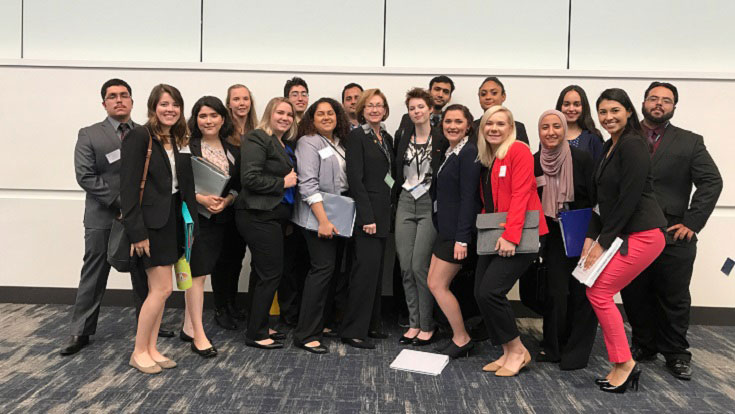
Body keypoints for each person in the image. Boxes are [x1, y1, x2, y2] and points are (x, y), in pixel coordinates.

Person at [620, 82, 722, 381]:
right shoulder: (623, 137)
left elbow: (711, 182)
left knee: (673, 296)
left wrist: (692, 221)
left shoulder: (690, 142)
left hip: (673, 233)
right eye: (654, 98)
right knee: (635, 292)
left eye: (666, 100)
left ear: (674, 107)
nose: (659, 104)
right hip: (632, 231)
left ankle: (676, 353)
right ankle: (644, 344)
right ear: (642, 102)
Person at [62, 79, 155, 356]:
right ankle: (81, 330)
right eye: (112, 96)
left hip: (138, 216)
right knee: (94, 272)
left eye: (124, 95)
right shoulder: (89, 134)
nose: (119, 100)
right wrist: (119, 203)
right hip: (103, 216)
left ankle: (147, 324)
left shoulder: (145, 133)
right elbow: (86, 176)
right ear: (104, 103)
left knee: (143, 274)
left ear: (132, 101)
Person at [583, 88, 666, 393]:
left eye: (615, 110)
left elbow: (628, 199)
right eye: (603, 112)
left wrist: (601, 243)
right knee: (598, 291)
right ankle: (620, 364)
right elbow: (600, 201)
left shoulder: (633, 144)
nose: (608, 117)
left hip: (643, 233)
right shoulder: (609, 147)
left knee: (600, 292)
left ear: (629, 111)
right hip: (624, 233)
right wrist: (590, 239)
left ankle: (625, 364)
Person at [121, 84, 199, 374]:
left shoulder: (176, 138)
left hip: (173, 223)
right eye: (164, 104)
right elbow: (128, 188)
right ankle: (138, 350)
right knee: (162, 288)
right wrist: (136, 232)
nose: (170, 109)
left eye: (175, 105)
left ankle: (152, 347)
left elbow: (180, 186)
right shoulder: (139, 136)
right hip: (149, 226)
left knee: (163, 291)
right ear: (153, 106)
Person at [474, 105, 548, 376]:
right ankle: (507, 352)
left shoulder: (518, 150)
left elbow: (521, 195)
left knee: (491, 292)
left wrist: (510, 236)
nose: (494, 128)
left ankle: (518, 350)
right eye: (489, 124)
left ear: (510, 128)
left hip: (516, 236)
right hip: (494, 235)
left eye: (500, 124)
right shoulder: (490, 157)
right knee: (480, 293)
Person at [533, 109, 598, 370]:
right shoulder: (534, 160)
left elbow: (595, 200)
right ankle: (553, 347)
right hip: (551, 234)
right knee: (556, 292)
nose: (551, 132)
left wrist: (594, 237)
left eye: (556, 127)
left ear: (564, 129)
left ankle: (576, 351)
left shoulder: (582, 159)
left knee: (582, 293)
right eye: (545, 127)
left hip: (581, 232)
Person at [234, 97, 298, 349]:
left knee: (262, 273)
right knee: (271, 273)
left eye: (289, 114)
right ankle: (257, 335)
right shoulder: (257, 137)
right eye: (279, 112)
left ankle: (257, 325)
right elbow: (249, 178)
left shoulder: (283, 143)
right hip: (257, 215)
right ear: (269, 114)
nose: (285, 117)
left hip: (273, 216)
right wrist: (282, 183)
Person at [181, 96, 241, 358]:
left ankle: (187, 326)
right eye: (203, 116)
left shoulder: (232, 149)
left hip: (222, 220)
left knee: (206, 272)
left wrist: (227, 200)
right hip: (194, 218)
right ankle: (198, 334)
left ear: (223, 118)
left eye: (213, 115)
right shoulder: (187, 147)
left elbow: (238, 186)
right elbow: (177, 185)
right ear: (196, 120)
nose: (208, 121)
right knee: (197, 274)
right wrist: (201, 199)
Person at [291, 98, 352, 354]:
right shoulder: (308, 142)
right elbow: (307, 184)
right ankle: (305, 334)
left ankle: (321, 324)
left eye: (330, 113)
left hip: (336, 214)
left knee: (330, 272)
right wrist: (323, 220)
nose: (326, 117)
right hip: (317, 218)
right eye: (320, 114)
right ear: (311, 119)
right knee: (321, 271)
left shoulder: (338, 143)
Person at [426, 104, 481, 357]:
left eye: (458, 121)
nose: (452, 126)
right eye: (448, 121)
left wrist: (462, 239)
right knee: (433, 282)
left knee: (438, 285)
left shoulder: (469, 152)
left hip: (457, 234)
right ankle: (460, 335)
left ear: (468, 124)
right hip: (445, 230)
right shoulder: (451, 151)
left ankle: (462, 338)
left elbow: (469, 198)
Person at [341, 88, 394, 349]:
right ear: (362, 110)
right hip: (369, 216)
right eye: (369, 106)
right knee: (363, 273)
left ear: (385, 110)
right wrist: (367, 216)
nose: (374, 110)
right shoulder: (356, 137)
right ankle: (352, 330)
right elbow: (356, 180)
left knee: (375, 274)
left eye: (379, 105)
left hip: (384, 214)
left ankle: (371, 325)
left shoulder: (385, 137)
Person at [394, 89, 446, 346]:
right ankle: (413, 324)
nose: (417, 111)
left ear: (429, 109)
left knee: (419, 267)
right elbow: (395, 170)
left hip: (428, 204)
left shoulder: (441, 138)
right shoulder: (403, 136)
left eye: (421, 107)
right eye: (412, 108)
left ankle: (428, 324)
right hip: (405, 201)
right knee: (405, 267)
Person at [209, 84, 257, 330]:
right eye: (236, 99)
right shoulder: (222, 132)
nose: (241, 103)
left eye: (245, 98)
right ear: (228, 103)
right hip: (223, 203)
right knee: (222, 259)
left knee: (237, 257)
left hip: (246, 205)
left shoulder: (256, 131)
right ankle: (220, 307)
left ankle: (232, 303)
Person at [395, 76, 454, 149]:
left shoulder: (450, 122)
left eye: (446, 92)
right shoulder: (408, 118)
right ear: (429, 92)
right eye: (437, 89)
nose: (440, 95)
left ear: (450, 98)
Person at [555, 85, 604, 164]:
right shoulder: (550, 136)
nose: (571, 109)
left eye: (576, 104)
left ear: (583, 107)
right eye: (566, 104)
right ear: (560, 107)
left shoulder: (593, 138)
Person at [473, 76, 529, 144]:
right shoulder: (472, 127)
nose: (488, 97)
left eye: (494, 93)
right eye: (483, 94)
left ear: (503, 96)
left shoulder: (517, 127)